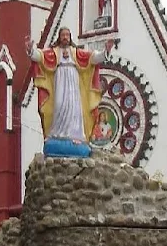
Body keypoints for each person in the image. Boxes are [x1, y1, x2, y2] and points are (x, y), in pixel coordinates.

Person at [26, 27, 114, 155]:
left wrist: (106, 50)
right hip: (60, 80)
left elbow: (93, 58)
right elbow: (39, 56)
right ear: (59, 37)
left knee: (74, 108)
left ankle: (76, 136)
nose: (65, 37)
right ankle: (57, 134)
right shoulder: (53, 53)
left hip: (73, 81)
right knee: (59, 105)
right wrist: (30, 50)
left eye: (67, 35)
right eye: (63, 35)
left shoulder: (76, 53)